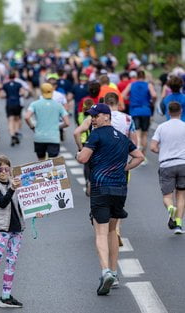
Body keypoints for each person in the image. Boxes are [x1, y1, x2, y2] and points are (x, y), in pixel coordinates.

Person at [76, 103, 144, 296]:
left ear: (107, 117)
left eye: (96, 116)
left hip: (100, 188)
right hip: (120, 189)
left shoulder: (96, 135)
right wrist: (125, 168)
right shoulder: (123, 138)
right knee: (113, 230)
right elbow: (139, 156)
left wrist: (78, 153)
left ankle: (105, 271)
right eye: (91, 116)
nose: (93, 119)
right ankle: (114, 273)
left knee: (100, 231)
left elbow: (83, 159)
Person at [0, 155, 42, 310]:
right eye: (0, 169)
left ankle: (6, 296)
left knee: (11, 262)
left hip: (17, 228)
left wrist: (36, 211)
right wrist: (12, 188)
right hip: (2, 229)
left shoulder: (15, 184)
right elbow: (2, 202)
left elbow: (23, 205)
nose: (4, 172)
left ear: (10, 169)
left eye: (6, 168)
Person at [150, 101, 185, 234]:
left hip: (167, 164)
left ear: (168, 112)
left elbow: (153, 147)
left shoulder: (161, 127)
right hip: (183, 163)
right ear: (180, 111)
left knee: (167, 196)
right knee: (181, 195)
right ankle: (179, 225)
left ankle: (171, 207)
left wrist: (164, 151)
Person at [25, 83, 70, 161]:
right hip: (53, 137)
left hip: (39, 137)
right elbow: (67, 123)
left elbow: (27, 117)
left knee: (41, 162)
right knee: (52, 162)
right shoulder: (58, 105)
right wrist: (58, 126)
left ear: (41, 92)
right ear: (52, 91)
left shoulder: (35, 104)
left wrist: (32, 126)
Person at [122, 70, 157, 163]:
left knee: (137, 132)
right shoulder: (148, 85)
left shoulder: (132, 84)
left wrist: (130, 99)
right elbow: (154, 95)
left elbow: (123, 95)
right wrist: (151, 102)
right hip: (146, 110)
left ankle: (137, 153)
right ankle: (143, 156)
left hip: (135, 110)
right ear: (144, 77)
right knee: (145, 133)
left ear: (137, 76)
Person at [2, 72, 25, 146]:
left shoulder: (5, 85)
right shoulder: (18, 84)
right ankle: (16, 131)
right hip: (17, 104)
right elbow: (22, 93)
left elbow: (2, 95)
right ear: (15, 77)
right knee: (17, 119)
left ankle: (12, 135)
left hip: (9, 104)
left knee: (10, 120)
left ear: (8, 77)